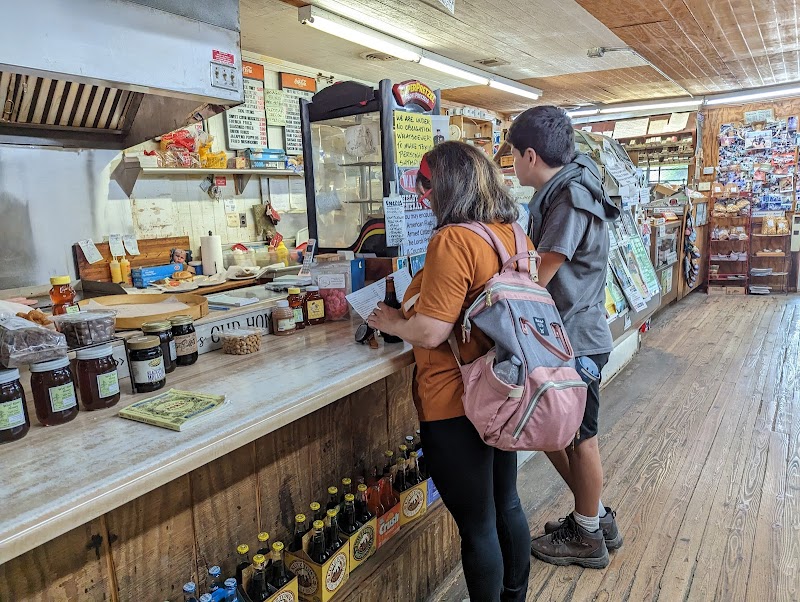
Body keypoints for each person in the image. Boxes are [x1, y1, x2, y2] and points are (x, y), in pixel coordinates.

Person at [367, 141, 531, 601]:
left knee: (478, 526)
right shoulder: (512, 233)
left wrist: (391, 321)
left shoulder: (452, 240)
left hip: (456, 401)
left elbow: (430, 331)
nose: (422, 194)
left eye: (426, 184)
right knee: (507, 505)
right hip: (505, 390)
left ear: (446, 186)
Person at [506, 106, 622, 569]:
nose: (513, 164)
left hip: (577, 338)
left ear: (530, 156)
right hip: (565, 336)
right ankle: (594, 516)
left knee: (580, 437)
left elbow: (540, 275)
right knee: (553, 430)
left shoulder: (570, 197)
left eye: (513, 155)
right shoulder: (567, 187)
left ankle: (588, 535)